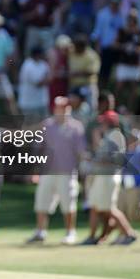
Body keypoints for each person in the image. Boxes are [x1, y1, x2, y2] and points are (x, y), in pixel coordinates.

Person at [26, 97, 86, 245]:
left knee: (68, 203)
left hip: (67, 172)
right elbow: (38, 149)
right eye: (60, 108)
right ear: (55, 109)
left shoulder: (76, 127)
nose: (63, 110)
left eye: (65, 108)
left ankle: (70, 232)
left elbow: (81, 152)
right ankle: (40, 232)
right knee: (41, 202)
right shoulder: (47, 125)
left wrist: (83, 171)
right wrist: (34, 169)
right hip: (48, 171)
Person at [81, 111, 137, 245]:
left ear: (108, 123)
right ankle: (93, 237)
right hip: (101, 176)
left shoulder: (115, 136)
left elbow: (115, 159)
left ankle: (129, 233)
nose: (101, 124)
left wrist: (94, 161)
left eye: (103, 121)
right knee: (95, 207)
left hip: (108, 177)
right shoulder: (108, 136)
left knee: (109, 208)